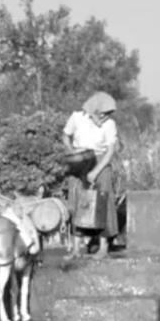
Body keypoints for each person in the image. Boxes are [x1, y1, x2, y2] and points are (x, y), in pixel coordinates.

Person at [62, 91, 120, 258]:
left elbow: (110, 151)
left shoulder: (110, 125)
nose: (104, 117)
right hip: (80, 159)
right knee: (77, 201)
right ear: (93, 110)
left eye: (107, 114)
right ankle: (75, 248)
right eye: (102, 114)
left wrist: (95, 171)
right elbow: (66, 135)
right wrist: (71, 151)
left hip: (100, 161)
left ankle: (103, 247)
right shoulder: (77, 117)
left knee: (103, 201)